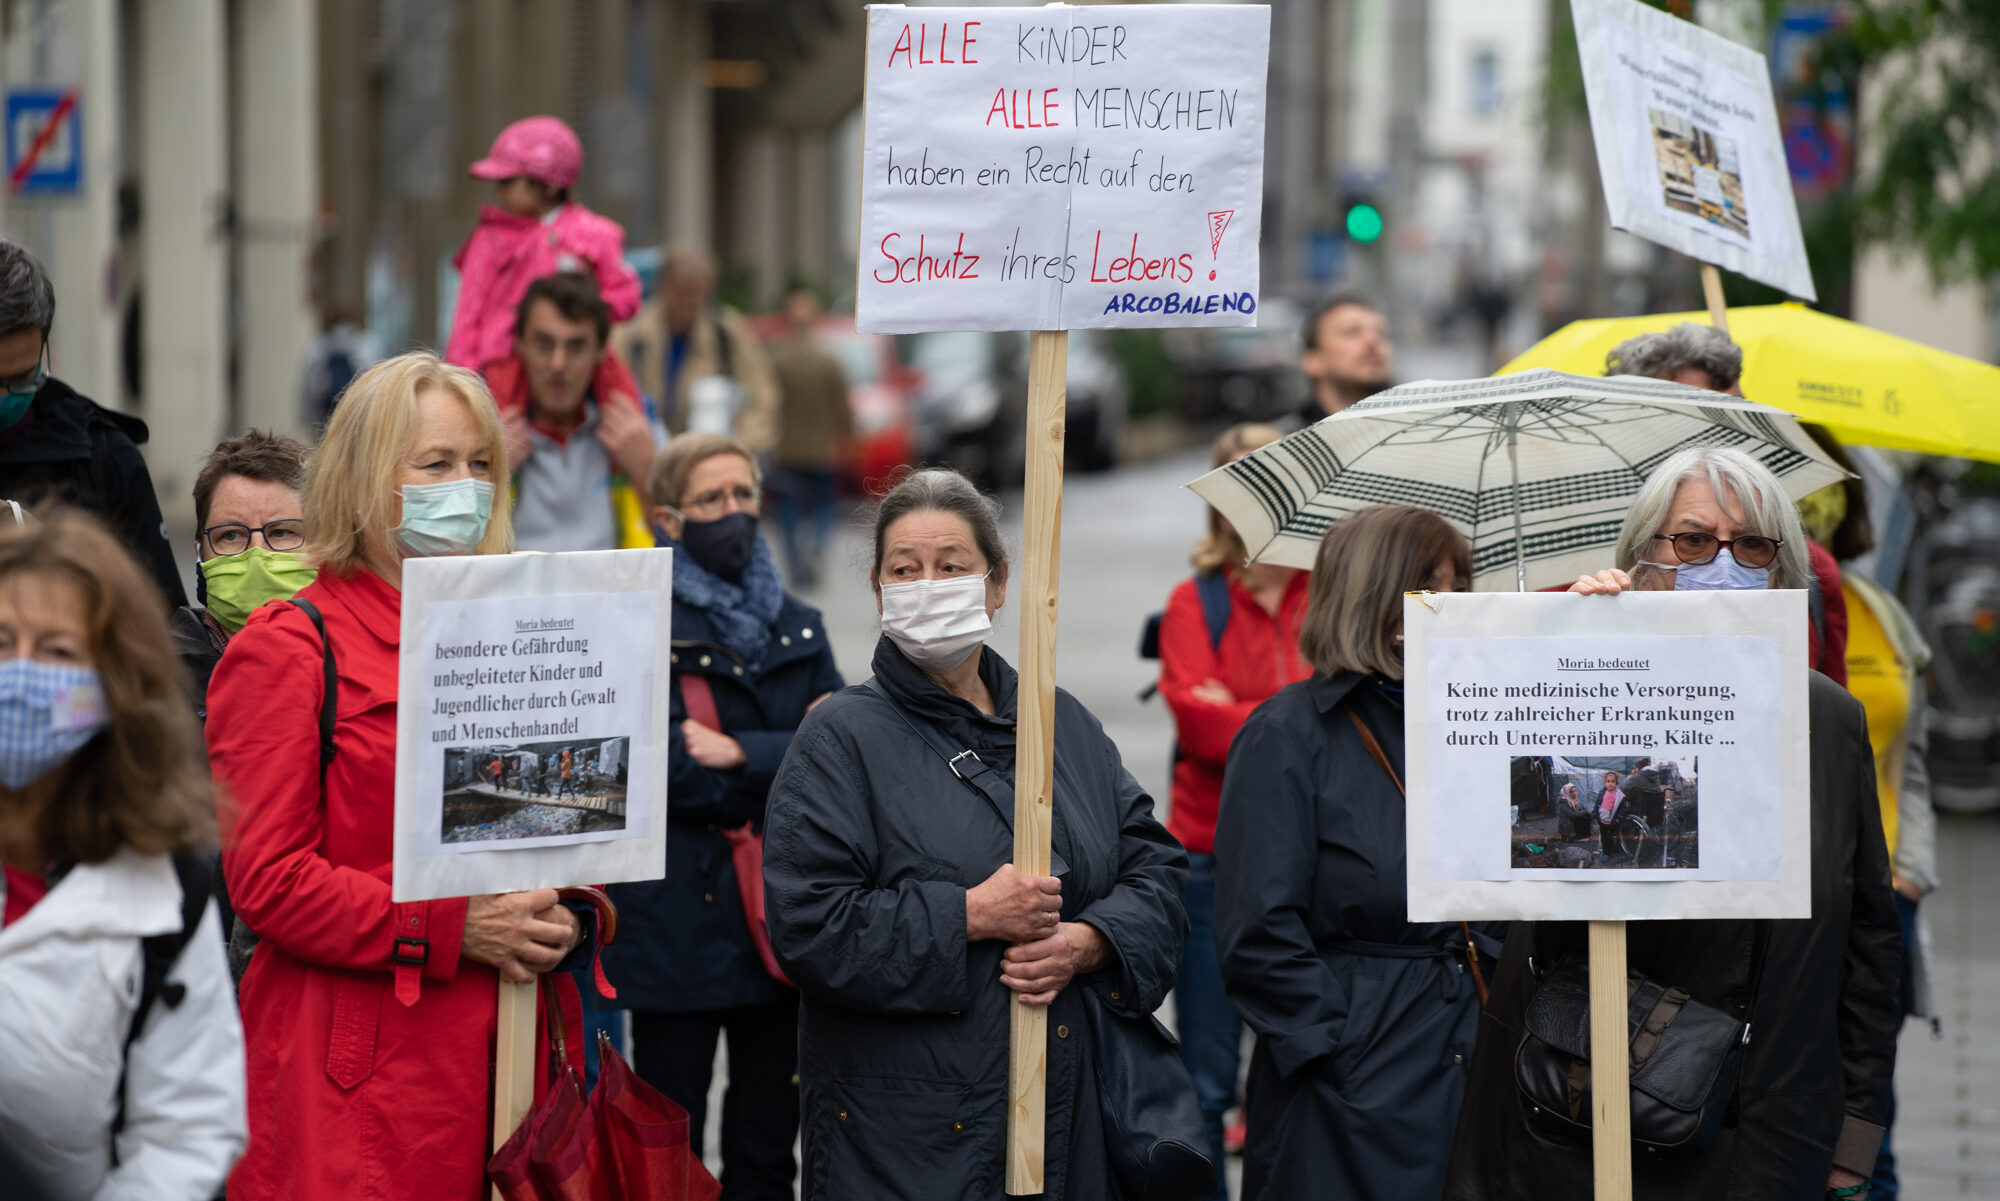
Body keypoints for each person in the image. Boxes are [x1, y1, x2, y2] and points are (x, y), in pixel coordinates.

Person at [1446, 445, 1903, 1201]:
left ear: (1778, 570)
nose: (1723, 560)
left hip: (1770, 1122)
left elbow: (1868, 936)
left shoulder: (1826, 715)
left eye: (1751, 542)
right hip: (1598, 1113)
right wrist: (1579, 661)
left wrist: (1855, 1130)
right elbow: (1516, 874)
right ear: (1643, 559)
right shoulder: (1584, 685)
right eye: (1693, 539)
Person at [207, 352, 595, 1201]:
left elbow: (561, 830)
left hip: (510, 1058)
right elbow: (266, 882)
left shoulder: (517, 636)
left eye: (481, 464)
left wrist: (569, 910)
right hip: (355, 1076)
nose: (465, 485)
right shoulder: (287, 647)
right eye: (436, 463)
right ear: (364, 477)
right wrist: (457, 927)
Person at [762, 468, 1189, 1201]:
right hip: (907, 1146)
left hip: (1068, 1125)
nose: (928, 585)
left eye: (952, 566)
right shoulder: (839, 740)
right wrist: (968, 914)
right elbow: (810, 927)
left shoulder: (1062, 724)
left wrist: (1090, 943)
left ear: (996, 585)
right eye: (906, 569)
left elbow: (1156, 872)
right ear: (878, 590)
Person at [1213, 504, 1494, 1201]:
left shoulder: (1485, 718)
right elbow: (1256, 929)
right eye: (1431, 582)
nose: (1452, 601)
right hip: (1347, 1090)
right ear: (1374, 592)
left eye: (1462, 583)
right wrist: (1337, 1045)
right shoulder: (1288, 734)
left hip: (1477, 1058)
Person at [602, 432, 843, 1200]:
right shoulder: (637, 621)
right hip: (676, 925)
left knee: (769, 1147)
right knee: (668, 1146)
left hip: (779, 923)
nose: (734, 512)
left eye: (743, 494)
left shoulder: (800, 623)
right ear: (669, 519)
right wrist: (782, 754)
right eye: (712, 499)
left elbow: (836, 761)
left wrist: (739, 751)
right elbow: (654, 770)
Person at [0, 509, 246, 1201]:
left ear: (113, 687)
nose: (20, 674)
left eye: (56, 651)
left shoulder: (168, 890)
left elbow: (186, 1130)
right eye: (1, 641)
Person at [1155, 420, 1311, 1196]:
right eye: (1243, 477)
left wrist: (1243, 707)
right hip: (1209, 859)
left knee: (1307, 1059)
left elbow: (1346, 715)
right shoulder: (1196, 600)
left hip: (1314, 861)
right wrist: (1297, 716)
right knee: (1208, 1078)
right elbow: (1201, 727)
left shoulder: (1333, 591)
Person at [1795, 442, 1939, 1201]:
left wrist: (1912, 871)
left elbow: (1912, 759)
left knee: (1869, 1108)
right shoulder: (1797, 600)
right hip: (1814, 883)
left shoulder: (1881, 612)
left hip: (1882, 890)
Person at [1604, 323, 1848, 682]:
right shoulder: (1571, 585)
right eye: (1696, 420)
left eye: (1739, 418)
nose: (1725, 439)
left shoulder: (1808, 569)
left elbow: (1828, 719)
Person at [0, 239, 186, 609]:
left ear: (44, 353)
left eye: (19, 379)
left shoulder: (104, 459)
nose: (3, 398)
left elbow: (167, 633)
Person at [446, 116, 642, 372]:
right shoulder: (490, 237)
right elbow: (468, 314)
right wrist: (464, 376)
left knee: (622, 397)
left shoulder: (593, 235)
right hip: (504, 366)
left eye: (506, 181)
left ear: (548, 186)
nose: (498, 191)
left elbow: (626, 295)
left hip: (579, 369)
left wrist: (586, 312)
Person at [483, 272, 659, 551]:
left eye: (576, 347)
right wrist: (489, 474)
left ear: (601, 351)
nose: (558, 364)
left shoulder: (637, 426)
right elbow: (452, 558)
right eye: (544, 345)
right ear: (520, 345)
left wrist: (646, 471)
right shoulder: (483, 432)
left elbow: (684, 549)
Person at [171, 430, 315, 717]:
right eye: (232, 535)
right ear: (200, 553)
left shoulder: (357, 668)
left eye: (282, 532)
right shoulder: (153, 679)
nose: (257, 553)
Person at [613, 245, 780, 452]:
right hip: (645, 458)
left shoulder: (727, 333)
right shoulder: (631, 334)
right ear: (663, 286)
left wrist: (734, 449)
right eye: (682, 294)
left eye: (698, 295)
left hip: (708, 460)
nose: (689, 304)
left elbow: (763, 400)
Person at [767, 290, 852, 588]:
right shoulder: (828, 361)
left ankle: (795, 565)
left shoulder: (777, 360)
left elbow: (767, 405)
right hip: (821, 448)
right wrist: (847, 435)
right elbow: (842, 407)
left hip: (787, 449)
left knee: (788, 511)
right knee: (822, 508)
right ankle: (816, 548)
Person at [1295, 292, 1393, 424]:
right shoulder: (1278, 440)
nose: (1373, 340)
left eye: (1381, 333)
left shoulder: (1419, 433)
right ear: (1313, 360)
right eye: (1352, 331)